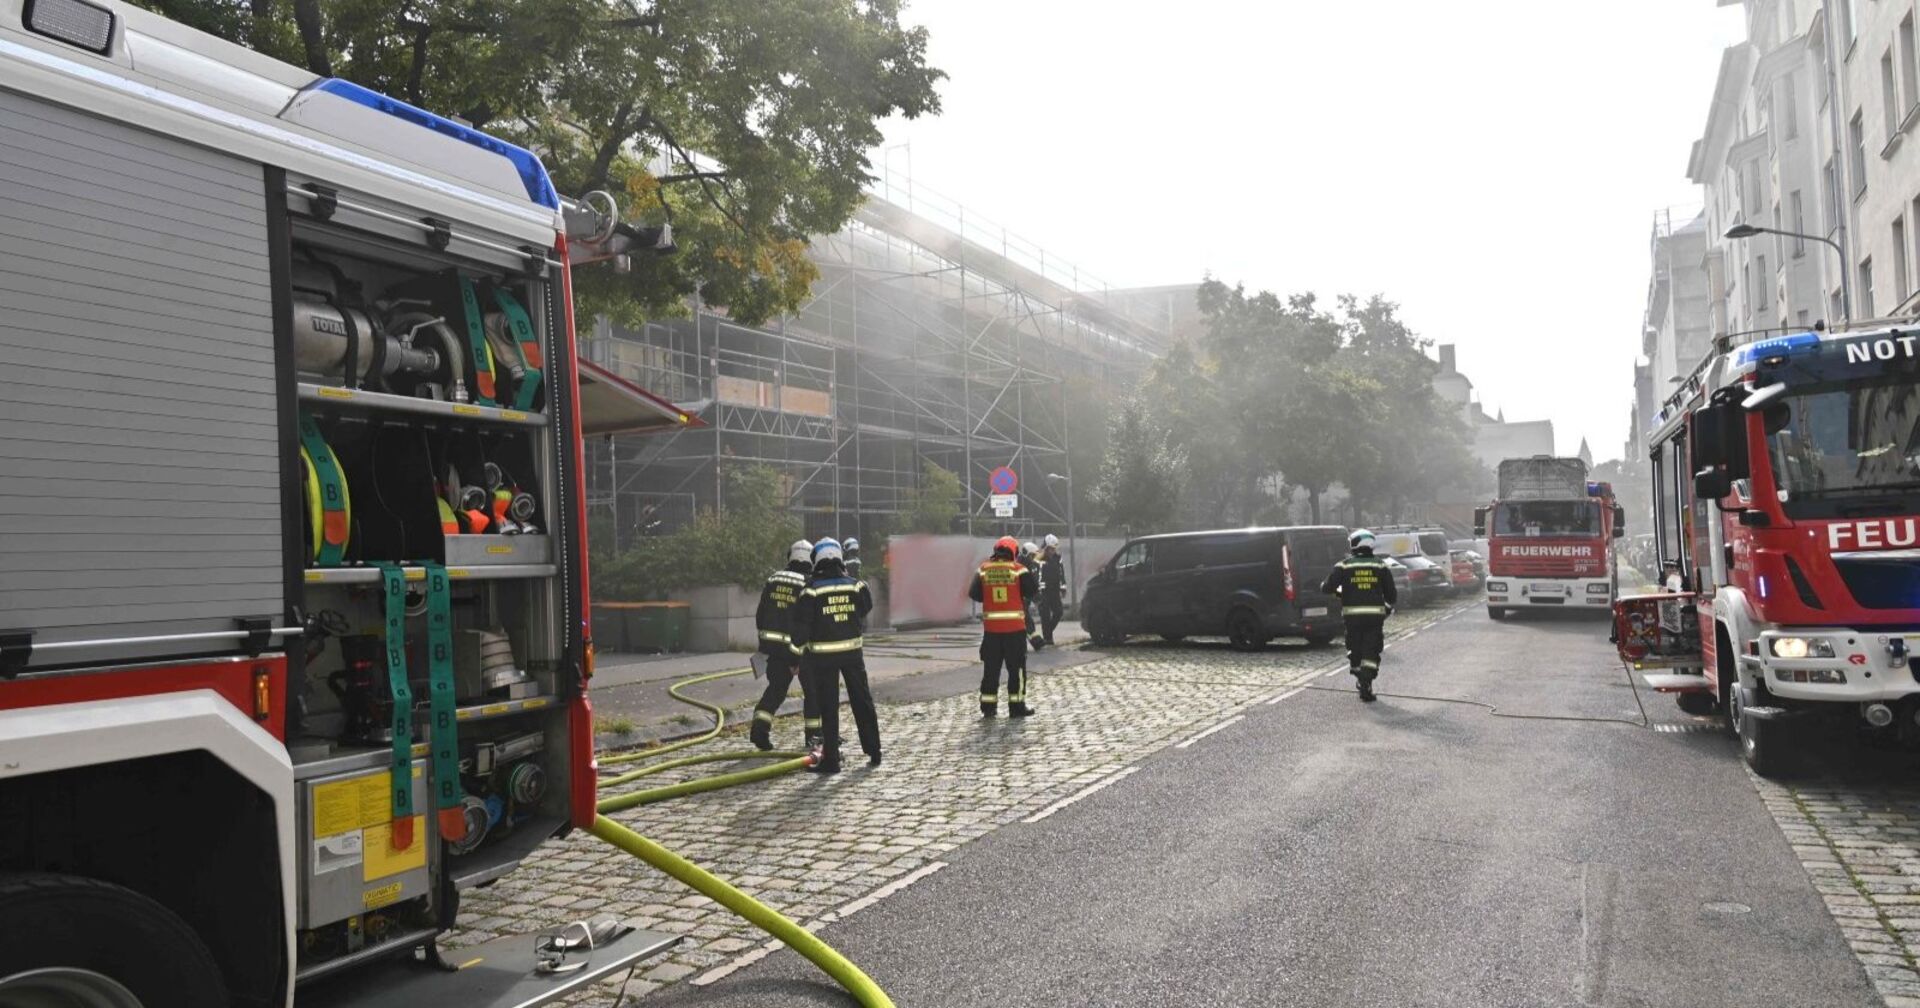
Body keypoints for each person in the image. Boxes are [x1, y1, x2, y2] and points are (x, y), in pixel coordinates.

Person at [790, 537, 879, 773]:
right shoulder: (856, 585)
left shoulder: (810, 590)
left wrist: (793, 657)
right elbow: (866, 607)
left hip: (824, 659)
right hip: (853, 655)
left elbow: (801, 628)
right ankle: (874, 750)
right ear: (839, 557)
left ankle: (831, 761)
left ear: (816, 560)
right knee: (862, 701)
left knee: (829, 707)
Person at [750, 540, 818, 751]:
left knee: (776, 690)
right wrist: (796, 659)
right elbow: (805, 623)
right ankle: (814, 737)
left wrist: (764, 645)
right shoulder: (808, 583)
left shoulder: (773, 579)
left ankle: (759, 730)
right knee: (813, 692)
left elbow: (760, 615)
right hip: (798, 650)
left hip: (771, 648)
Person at [1321, 528, 1396, 702]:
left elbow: (1327, 588)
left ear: (1355, 544)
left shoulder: (1344, 565)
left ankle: (1358, 670)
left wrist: (1340, 592)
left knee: (1355, 647)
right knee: (1371, 649)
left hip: (1352, 618)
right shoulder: (1380, 565)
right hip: (1374, 618)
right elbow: (1392, 595)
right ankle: (1366, 682)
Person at [970, 536, 1038, 717]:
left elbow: (974, 594)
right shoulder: (1018, 570)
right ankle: (1016, 707)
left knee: (991, 670)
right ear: (1014, 552)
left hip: (991, 632)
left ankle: (988, 707)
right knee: (1016, 670)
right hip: (1014, 630)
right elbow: (1032, 590)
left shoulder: (983, 569)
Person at [1037, 533, 1066, 646]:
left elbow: (1061, 573)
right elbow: (1036, 574)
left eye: (1054, 549)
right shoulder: (1039, 558)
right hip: (1043, 591)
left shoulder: (1058, 558)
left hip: (1054, 590)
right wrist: (1037, 590)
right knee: (1045, 615)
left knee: (1058, 612)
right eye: (1050, 549)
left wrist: (1063, 587)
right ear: (1046, 547)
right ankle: (1048, 639)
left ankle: (1048, 633)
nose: (1052, 551)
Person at [1020, 540, 1044, 651]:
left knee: (1026, 621)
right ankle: (1034, 642)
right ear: (1027, 554)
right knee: (1025, 621)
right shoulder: (1020, 567)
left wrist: (1037, 597)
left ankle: (1033, 641)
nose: (1033, 558)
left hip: (1024, 600)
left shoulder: (1028, 566)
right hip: (1019, 600)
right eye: (1032, 555)